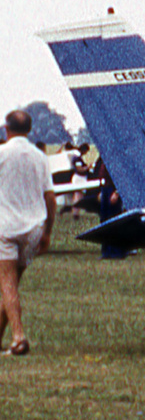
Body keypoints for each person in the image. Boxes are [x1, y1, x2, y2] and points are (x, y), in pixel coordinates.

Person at [0, 110, 55, 356]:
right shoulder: (40, 157)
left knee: (7, 284)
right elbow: (50, 197)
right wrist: (47, 232)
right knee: (11, 285)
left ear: (6, 129)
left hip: (5, 226)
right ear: (30, 130)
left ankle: (19, 337)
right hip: (33, 227)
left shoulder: (2, 153)